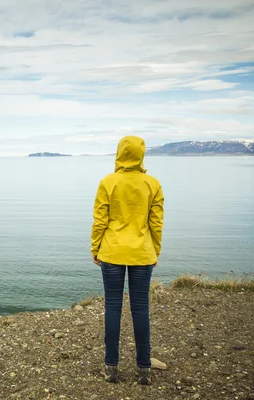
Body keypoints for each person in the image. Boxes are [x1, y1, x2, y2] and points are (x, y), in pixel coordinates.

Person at [90, 135, 164, 385]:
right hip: (142, 253)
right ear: (141, 154)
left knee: (112, 307)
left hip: (111, 251)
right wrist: (155, 250)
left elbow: (101, 220)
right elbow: (156, 223)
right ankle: (144, 369)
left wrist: (95, 246)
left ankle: (111, 367)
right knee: (140, 309)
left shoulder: (108, 182)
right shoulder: (152, 183)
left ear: (119, 153)